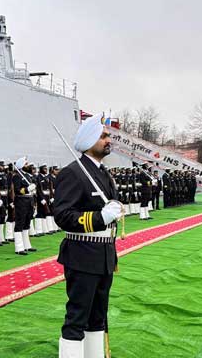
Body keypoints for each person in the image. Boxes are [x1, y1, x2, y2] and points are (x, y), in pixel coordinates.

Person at [53, 113, 122, 358]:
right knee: (77, 317)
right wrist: (99, 217)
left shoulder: (103, 173)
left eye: (107, 135)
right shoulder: (73, 173)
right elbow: (62, 215)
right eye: (103, 136)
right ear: (89, 140)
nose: (108, 139)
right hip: (82, 254)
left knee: (97, 317)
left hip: (104, 254)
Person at [11, 158, 36, 255]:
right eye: (26, 164)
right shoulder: (17, 176)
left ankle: (27, 245)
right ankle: (19, 247)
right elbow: (17, 190)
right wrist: (27, 189)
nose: (28, 165)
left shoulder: (27, 176)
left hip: (29, 200)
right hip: (21, 201)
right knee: (20, 223)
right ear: (21, 166)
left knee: (27, 223)